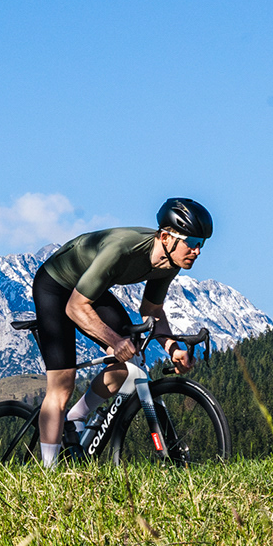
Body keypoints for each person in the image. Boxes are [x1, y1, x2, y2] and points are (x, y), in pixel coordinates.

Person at [31, 198, 213, 466]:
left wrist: (173, 349)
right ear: (166, 237)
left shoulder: (170, 262)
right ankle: (48, 473)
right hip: (55, 286)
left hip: (88, 290)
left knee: (132, 360)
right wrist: (114, 341)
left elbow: (152, 310)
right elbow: (75, 307)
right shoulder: (122, 250)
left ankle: (77, 417)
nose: (197, 251)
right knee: (62, 384)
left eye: (202, 244)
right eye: (192, 242)